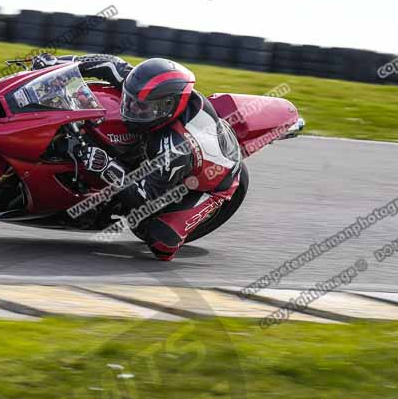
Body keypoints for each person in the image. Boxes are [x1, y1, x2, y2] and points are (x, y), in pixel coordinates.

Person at [32, 53, 243, 260]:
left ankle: (201, 206)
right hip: (185, 147)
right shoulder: (145, 89)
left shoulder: (176, 148)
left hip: (213, 181)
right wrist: (57, 63)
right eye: (130, 100)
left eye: (141, 107)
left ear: (166, 107)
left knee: (160, 240)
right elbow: (110, 63)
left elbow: (142, 198)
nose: (131, 108)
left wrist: (105, 165)